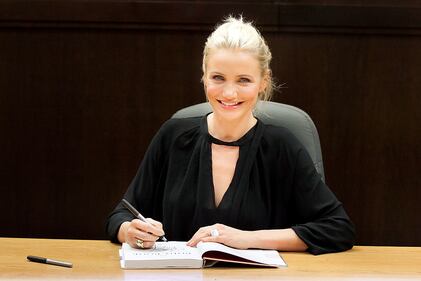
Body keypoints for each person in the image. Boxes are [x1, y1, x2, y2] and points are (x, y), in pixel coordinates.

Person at [106, 16, 355, 255]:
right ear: (204, 75)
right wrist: (130, 231)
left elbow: (337, 228)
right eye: (218, 78)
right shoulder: (172, 136)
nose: (228, 93)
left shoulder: (282, 146)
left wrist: (246, 239)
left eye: (243, 80)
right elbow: (120, 216)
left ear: (263, 82)